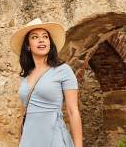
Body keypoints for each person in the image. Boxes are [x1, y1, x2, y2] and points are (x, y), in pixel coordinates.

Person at [10, 18, 83, 147]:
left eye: (45, 37)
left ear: (50, 43)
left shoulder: (63, 70)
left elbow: (73, 111)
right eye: (35, 37)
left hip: (53, 138)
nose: (41, 40)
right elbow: (25, 114)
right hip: (29, 140)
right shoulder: (26, 75)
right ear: (28, 45)